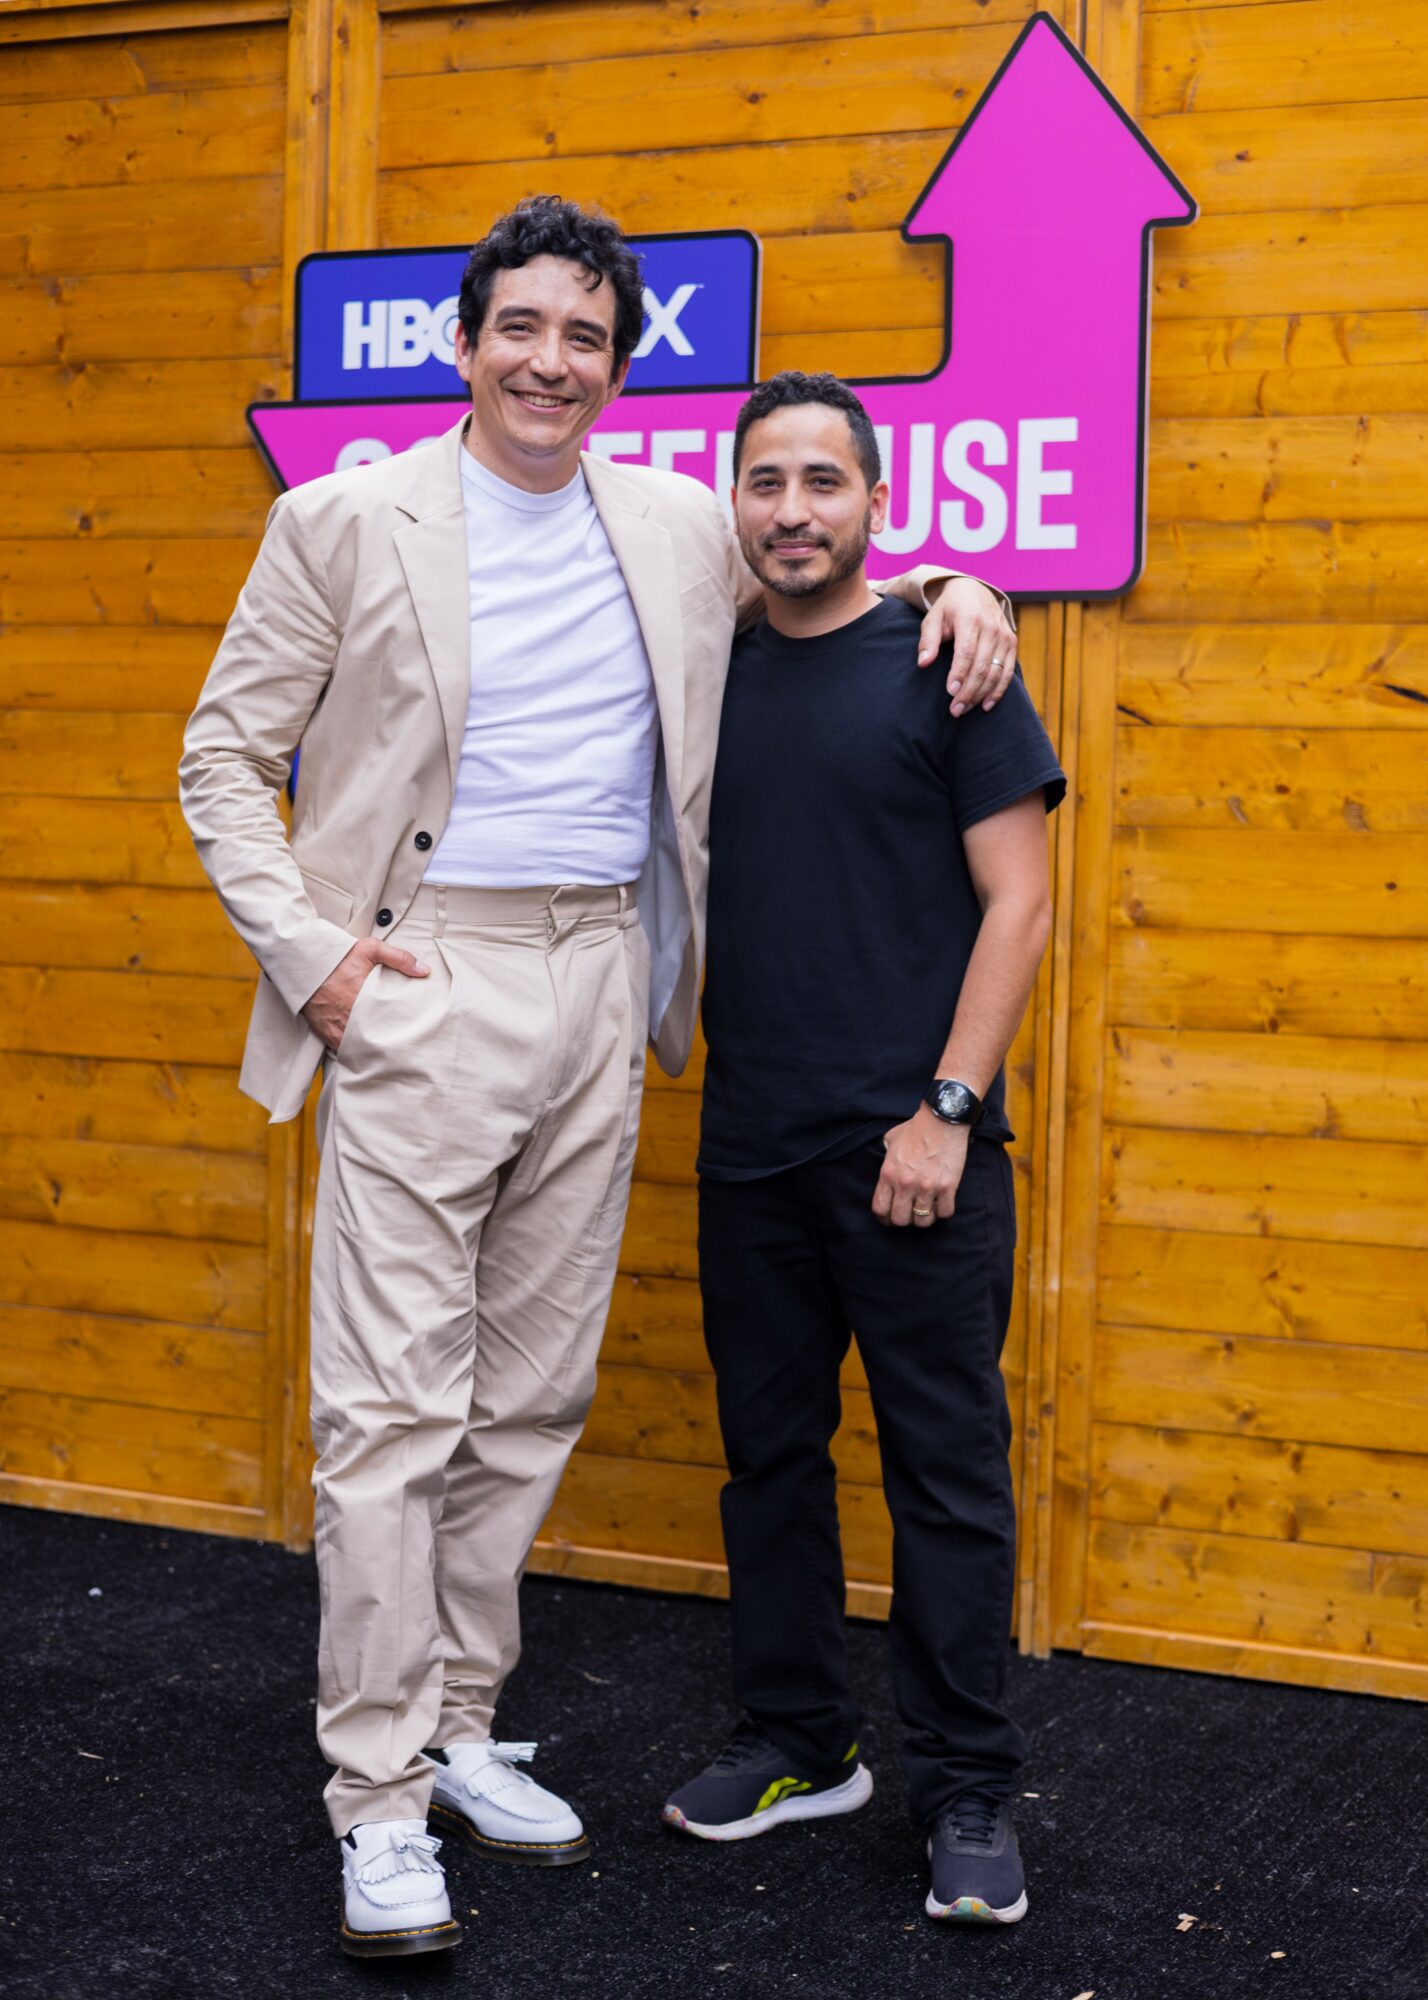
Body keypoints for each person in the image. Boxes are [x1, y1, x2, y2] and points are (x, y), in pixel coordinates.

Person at [180, 198, 1018, 1959]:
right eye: (523, 329)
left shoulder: (670, 523)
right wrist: (319, 957)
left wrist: (962, 580)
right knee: (391, 1416)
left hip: (602, 988)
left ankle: (465, 1722)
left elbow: (828, 578)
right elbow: (219, 757)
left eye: (586, 338)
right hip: (417, 976)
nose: (552, 362)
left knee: (529, 1400)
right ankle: (380, 1798)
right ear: (464, 344)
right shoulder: (342, 517)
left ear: (619, 368)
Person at [663, 372, 1065, 1928]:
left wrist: (946, 1113)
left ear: (875, 502)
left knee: (945, 1482)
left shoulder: (948, 667)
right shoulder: (712, 669)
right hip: (752, 1144)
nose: (792, 511)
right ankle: (797, 1739)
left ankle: (965, 1787)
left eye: (822, 482)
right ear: (736, 508)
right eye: (765, 484)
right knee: (769, 1464)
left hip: (919, 1152)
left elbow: (1018, 905)